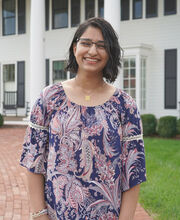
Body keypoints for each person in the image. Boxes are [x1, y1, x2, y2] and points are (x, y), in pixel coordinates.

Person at [20, 17, 146, 220]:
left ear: (110, 52)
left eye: (101, 46)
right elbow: (33, 161)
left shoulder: (125, 105)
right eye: (86, 43)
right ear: (74, 47)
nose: (93, 51)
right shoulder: (49, 98)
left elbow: (133, 172)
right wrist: (39, 215)